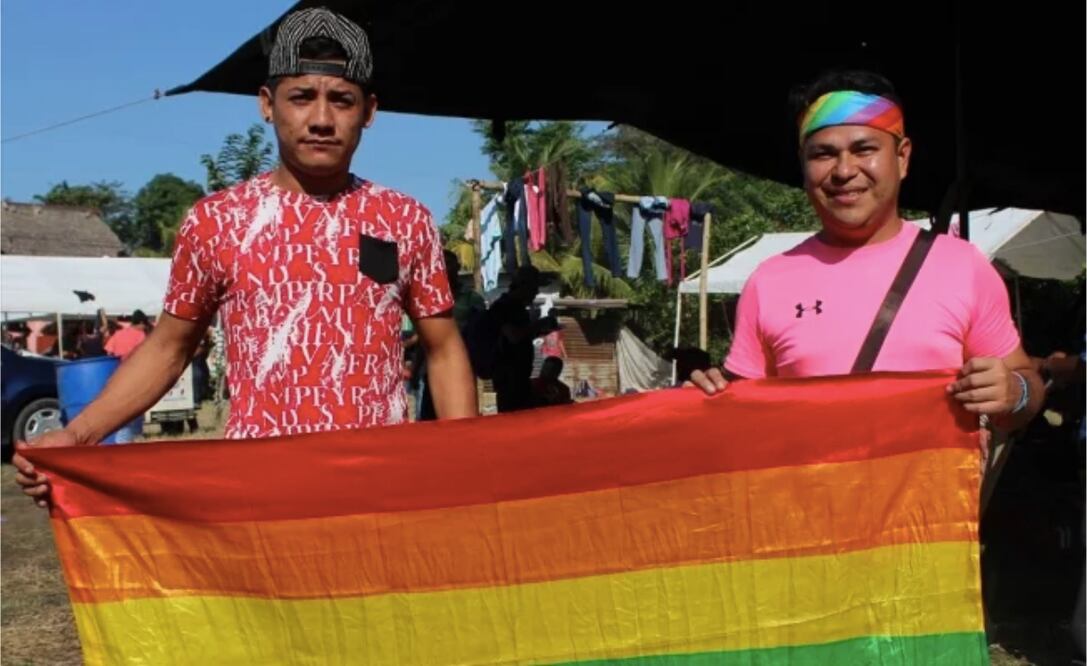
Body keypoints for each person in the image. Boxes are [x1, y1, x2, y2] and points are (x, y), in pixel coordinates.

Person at [15, 6, 476, 507]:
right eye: (301, 97)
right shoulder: (217, 221)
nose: (321, 119)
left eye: (341, 100)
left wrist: (470, 464)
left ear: (368, 111)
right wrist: (78, 437)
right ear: (267, 104)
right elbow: (170, 347)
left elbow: (443, 346)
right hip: (259, 499)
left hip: (382, 492)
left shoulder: (404, 220)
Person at [689, 69, 1044, 435]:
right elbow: (744, 419)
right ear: (803, 164)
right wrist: (701, 403)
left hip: (932, 492)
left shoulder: (963, 266)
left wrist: (1014, 392)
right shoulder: (769, 281)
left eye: (864, 150)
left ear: (902, 157)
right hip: (810, 492)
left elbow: (1026, 386)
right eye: (823, 154)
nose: (844, 170)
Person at [490, 266, 559, 413]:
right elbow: (513, 336)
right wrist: (538, 324)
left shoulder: (518, 309)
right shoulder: (504, 307)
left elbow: (520, 338)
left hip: (520, 378)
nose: (536, 292)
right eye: (534, 287)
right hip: (509, 380)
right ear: (523, 285)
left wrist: (539, 330)